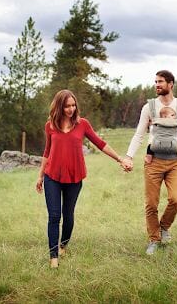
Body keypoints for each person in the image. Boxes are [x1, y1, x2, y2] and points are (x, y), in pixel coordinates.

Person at [36, 90, 126, 268]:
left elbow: (100, 144)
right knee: (54, 216)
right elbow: (47, 151)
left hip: (74, 178)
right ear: (59, 106)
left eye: (73, 105)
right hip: (52, 176)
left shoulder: (82, 124)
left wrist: (120, 159)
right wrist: (40, 176)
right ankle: (53, 257)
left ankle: (63, 245)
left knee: (68, 215)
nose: (70, 109)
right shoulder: (50, 126)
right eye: (67, 106)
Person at [121, 70, 177, 255]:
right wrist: (129, 156)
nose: (157, 84)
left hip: (175, 163)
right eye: (155, 81)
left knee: (176, 199)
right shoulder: (149, 107)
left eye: (160, 81)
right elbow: (139, 134)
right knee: (151, 204)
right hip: (153, 161)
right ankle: (154, 239)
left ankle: (163, 227)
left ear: (171, 84)